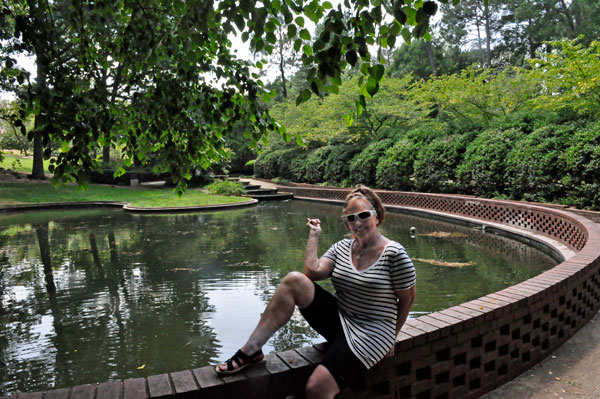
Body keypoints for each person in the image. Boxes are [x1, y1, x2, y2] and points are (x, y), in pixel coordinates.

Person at [215, 185, 416, 399]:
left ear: (377, 216)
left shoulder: (394, 254)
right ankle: (252, 350)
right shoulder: (342, 248)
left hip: (372, 332)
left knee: (316, 388)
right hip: (342, 320)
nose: (357, 223)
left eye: (364, 215)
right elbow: (313, 272)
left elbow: (407, 299)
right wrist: (314, 234)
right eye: (351, 218)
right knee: (294, 280)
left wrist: (391, 337)